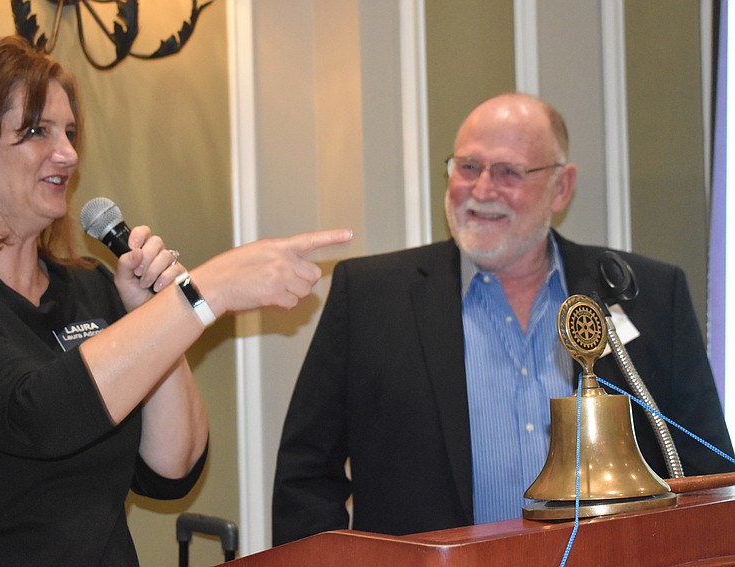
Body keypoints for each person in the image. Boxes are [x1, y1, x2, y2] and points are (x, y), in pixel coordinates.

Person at [0, 36, 351, 566]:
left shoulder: (88, 287)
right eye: (36, 131)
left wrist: (155, 310)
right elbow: (35, 415)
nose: (68, 153)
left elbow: (170, 470)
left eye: (70, 132)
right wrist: (208, 291)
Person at [271, 92, 735, 545]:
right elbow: (306, 475)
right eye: (468, 167)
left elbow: (707, 469)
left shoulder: (645, 294)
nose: (482, 189)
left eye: (509, 172)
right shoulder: (371, 296)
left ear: (561, 187)